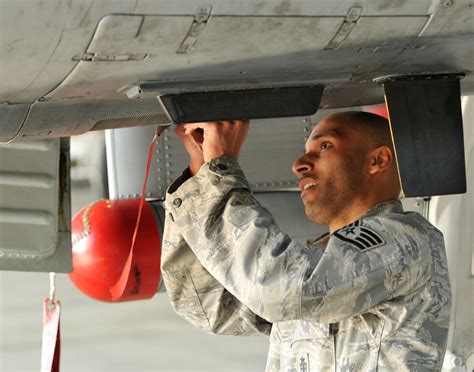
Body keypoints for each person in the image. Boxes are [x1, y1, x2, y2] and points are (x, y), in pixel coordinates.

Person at [160, 111, 451, 371]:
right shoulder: (321, 269)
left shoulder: (405, 240)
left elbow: (279, 289)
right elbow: (208, 306)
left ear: (377, 161)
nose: (299, 164)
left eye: (325, 146)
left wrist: (220, 173)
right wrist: (201, 176)